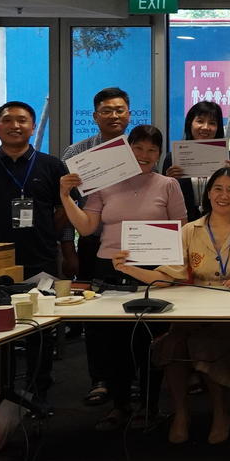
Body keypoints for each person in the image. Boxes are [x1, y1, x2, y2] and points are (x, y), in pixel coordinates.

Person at [111, 167, 230, 444]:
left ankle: (221, 413)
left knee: (206, 345)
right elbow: (167, 278)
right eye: (218, 188)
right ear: (208, 193)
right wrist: (129, 268)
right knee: (173, 344)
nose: (223, 195)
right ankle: (181, 413)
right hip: (192, 314)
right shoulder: (189, 231)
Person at [59, 124, 188, 431]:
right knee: (113, 344)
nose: (145, 155)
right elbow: (87, 227)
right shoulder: (105, 184)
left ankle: (149, 406)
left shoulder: (168, 184)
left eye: (152, 150)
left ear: (159, 155)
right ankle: (119, 405)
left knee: (151, 343)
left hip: (152, 272)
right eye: (138, 148)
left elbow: (182, 230)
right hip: (109, 271)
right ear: (127, 150)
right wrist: (65, 196)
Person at [0, 101, 70, 401]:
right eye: (7, 120)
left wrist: (49, 235)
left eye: (22, 120)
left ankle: (39, 389)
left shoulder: (52, 166)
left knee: (40, 325)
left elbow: (64, 210)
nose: (15, 125)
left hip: (40, 257)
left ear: (33, 127)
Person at [62, 86, 133, 407]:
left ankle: (132, 379)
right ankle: (100, 379)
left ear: (129, 114)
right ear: (95, 116)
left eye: (120, 110)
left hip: (132, 242)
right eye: (107, 110)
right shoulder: (75, 155)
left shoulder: (140, 148)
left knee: (135, 312)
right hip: (92, 240)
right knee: (95, 312)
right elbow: (70, 201)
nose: (114, 116)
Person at [163, 100, 230, 220]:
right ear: (190, 123)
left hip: (218, 222)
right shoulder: (172, 158)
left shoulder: (229, 158)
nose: (206, 127)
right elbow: (164, 198)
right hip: (184, 223)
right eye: (200, 121)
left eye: (212, 123)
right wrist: (169, 181)